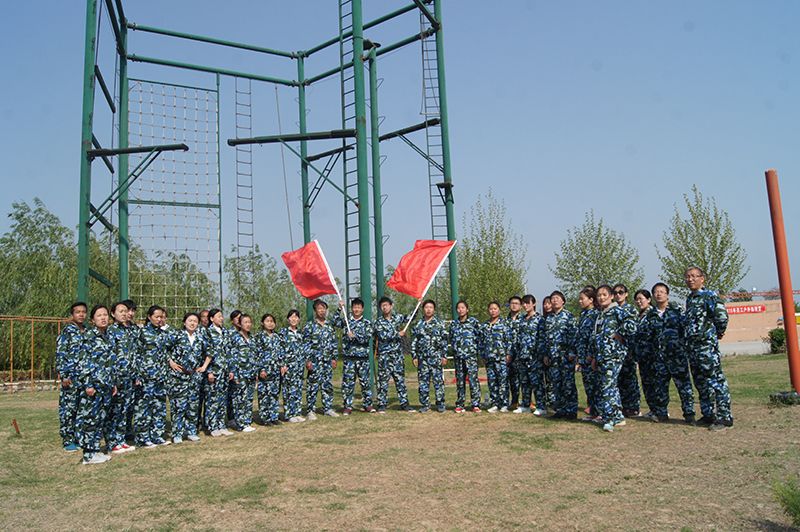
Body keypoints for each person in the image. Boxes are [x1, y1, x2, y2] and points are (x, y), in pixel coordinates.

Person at [683, 267, 733, 430]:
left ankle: (724, 417)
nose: (690, 279)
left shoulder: (709, 296)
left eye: (694, 276)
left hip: (706, 348)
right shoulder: (690, 299)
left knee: (716, 381)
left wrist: (717, 333)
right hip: (693, 348)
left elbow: (721, 316)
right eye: (688, 277)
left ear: (702, 278)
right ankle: (708, 414)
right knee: (700, 382)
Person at [75, 305, 118, 465]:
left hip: (105, 386)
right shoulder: (88, 337)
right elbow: (83, 363)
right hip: (93, 386)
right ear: (92, 320)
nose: (103, 318)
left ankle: (94, 450)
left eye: (105, 315)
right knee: (90, 419)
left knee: (99, 419)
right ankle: (88, 454)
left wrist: (113, 383)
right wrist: (88, 384)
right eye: (99, 315)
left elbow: (110, 363)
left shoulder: (108, 336)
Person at [650, 283, 696, 424]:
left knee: (684, 387)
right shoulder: (650, 315)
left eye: (662, 291)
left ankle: (689, 414)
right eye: (656, 292)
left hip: (677, 356)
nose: (659, 294)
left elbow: (687, 330)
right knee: (660, 387)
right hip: (659, 358)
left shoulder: (677, 311)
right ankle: (662, 414)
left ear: (667, 295)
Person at [592, 285, 637, 432]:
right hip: (602, 356)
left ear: (611, 296)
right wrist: (594, 357)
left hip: (613, 356)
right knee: (609, 386)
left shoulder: (617, 310)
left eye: (605, 295)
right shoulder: (600, 314)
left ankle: (609, 418)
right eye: (599, 295)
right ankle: (617, 416)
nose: (601, 297)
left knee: (607, 386)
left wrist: (619, 333)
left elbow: (632, 325)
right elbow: (596, 337)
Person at [165, 312, 210, 443]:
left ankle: (191, 431)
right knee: (178, 406)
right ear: (184, 322)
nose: (192, 323)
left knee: (193, 405)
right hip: (178, 376)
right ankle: (177, 433)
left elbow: (210, 351)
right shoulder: (176, 335)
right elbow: (163, 348)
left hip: (194, 376)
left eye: (195, 321)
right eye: (190, 320)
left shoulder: (201, 337)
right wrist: (170, 362)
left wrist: (204, 366)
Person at [133, 305, 171, 448]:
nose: (159, 319)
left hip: (160, 377)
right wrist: (138, 374)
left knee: (159, 407)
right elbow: (136, 354)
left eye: (161, 317)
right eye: (157, 317)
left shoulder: (163, 334)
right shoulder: (142, 333)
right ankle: (143, 437)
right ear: (149, 317)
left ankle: (157, 435)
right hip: (146, 377)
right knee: (144, 408)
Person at [105, 301, 137, 454]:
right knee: (115, 410)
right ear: (113, 314)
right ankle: (112, 441)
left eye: (126, 311)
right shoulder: (111, 331)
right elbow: (110, 356)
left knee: (125, 409)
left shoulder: (130, 330)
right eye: (120, 311)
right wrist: (112, 379)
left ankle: (121, 439)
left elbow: (134, 354)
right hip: (117, 377)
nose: (124, 314)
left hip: (129, 377)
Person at [333, 298, 375, 415]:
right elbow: (334, 322)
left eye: (358, 307)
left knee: (365, 383)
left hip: (363, 359)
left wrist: (355, 335)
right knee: (348, 384)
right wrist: (339, 309)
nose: (356, 309)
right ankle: (347, 406)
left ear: (362, 309)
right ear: (351, 309)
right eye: (354, 307)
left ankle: (368, 404)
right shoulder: (346, 321)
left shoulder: (367, 323)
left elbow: (367, 337)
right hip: (349, 359)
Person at [373, 296, 414, 413]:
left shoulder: (397, 318)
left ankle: (404, 403)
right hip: (384, 357)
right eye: (382, 306)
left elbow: (410, 318)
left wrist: (418, 305)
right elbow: (382, 336)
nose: (385, 307)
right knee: (383, 381)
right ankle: (381, 404)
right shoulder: (378, 322)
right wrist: (398, 334)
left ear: (391, 306)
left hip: (397, 356)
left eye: (387, 305)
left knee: (400, 380)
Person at [55, 302, 87, 453]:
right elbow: (61, 353)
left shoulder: (87, 331)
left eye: (83, 312)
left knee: (81, 409)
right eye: (78, 312)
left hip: (84, 377)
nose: (81, 314)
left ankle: (79, 437)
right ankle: (68, 439)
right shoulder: (68, 331)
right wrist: (64, 374)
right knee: (68, 409)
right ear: (72, 314)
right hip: (71, 377)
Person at [542, 291, 578, 419]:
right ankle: (560, 409)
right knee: (556, 384)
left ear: (563, 301)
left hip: (566, 356)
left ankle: (571, 410)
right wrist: (546, 354)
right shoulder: (549, 318)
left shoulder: (569, 316)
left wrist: (572, 353)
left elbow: (574, 336)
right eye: (552, 299)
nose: (555, 300)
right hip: (553, 356)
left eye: (557, 298)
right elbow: (546, 338)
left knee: (568, 384)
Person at [303, 301, 339, 419]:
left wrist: (334, 358)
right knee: (313, 386)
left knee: (327, 385)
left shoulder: (329, 326)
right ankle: (310, 410)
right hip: (315, 362)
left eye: (324, 308)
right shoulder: (310, 326)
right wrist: (308, 360)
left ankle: (327, 408)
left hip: (327, 361)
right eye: (319, 309)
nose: (322, 311)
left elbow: (334, 343)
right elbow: (306, 344)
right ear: (315, 311)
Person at [412, 299, 449, 413]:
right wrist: (414, 356)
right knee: (423, 382)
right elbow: (414, 341)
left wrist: (444, 356)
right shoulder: (418, 324)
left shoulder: (439, 323)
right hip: (423, 359)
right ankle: (424, 404)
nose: (428, 309)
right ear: (423, 309)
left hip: (436, 357)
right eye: (426, 307)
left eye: (431, 307)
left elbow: (444, 341)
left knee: (438, 382)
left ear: (434, 309)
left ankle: (440, 404)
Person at [630, 289, 660, 421]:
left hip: (652, 355)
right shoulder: (639, 316)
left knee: (655, 383)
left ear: (648, 300)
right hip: (642, 356)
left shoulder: (652, 314)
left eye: (641, 298)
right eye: (637, 299)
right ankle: (653, 409)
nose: (639, 301)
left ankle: (660, 410)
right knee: (647, 383)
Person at [514, 294, 546, 416]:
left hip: (535, 356)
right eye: (524, 303)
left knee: (537, 382)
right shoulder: (521, 319)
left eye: (528, 303)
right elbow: (518, 337)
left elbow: (542, 338)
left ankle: (541, 406)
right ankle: (525, 405)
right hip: (522, 355)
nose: (525, 305)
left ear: (534, 304)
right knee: (524, 382)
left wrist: (540, 354)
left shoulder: (539, 319)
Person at [203, 309, 233, 437]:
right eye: (219, 316)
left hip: (224, 371)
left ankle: (221, 424)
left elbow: (229, 352)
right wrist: (209, 371)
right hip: (214, 371)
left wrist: (231, 370)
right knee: (213, 399)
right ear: (211, 319)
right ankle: (212, 425)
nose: (221, 319)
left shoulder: (225, 332)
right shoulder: (208, 333)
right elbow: (206, 353)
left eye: (222, 316)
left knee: (222, 399)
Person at [613, 284, 641, 417]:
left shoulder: (631, 309)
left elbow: (632, 328)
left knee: (629, 379)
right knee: (617, 380)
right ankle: (621, 405)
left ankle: (633, 406)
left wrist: (618, 333)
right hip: (613, 351)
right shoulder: (610, 310)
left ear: (626, 294)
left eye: (621, 292)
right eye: (616, 292)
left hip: (627, 349)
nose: (618, 295)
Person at [450, 300, 482, 413]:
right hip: (458, 358)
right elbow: (451, 338)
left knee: (473, 380)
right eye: (458, 308)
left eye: (463, 307)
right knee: (460, 381)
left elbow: (480, 337)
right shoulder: (454, 324)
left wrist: (477, 351)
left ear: (467, 309)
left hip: (471, 357)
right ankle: (460, 403)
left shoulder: (473, 322)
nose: (460, 310)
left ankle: (475, 404)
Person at [481, 301, 512, 413]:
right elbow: (481, 342)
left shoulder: (504, 324)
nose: (493, 311)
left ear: (499, 310)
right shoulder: (484, 325)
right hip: (489, 358)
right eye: (491, 309)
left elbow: (509, 340)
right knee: (492, 381)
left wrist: (508, 354)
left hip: (501, 358)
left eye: (495, 309)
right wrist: (482, 355)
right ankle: (495, 403)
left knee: (503, 381)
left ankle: (504, 403)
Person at [228, 314, 257, 432]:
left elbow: (255, 356)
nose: (248, 324)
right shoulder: (235, 337)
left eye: (249, 322)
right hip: (240, 373)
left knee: (249, 398)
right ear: (240, 324)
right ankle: (240, 423)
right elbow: (231, 356)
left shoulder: (252, 338)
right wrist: (233, 372)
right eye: (245, 322)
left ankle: (247, 421)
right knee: (240, 398)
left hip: (250, 373)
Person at [253, 313, 284, 425]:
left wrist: (282, 365)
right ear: (262, 323)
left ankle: (273, 416)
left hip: (275, 370)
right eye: (267, 321)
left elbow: (281, 353)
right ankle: (265, 417)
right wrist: (261, 369)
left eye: (272, 321)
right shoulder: (259, 337)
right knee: (264, 394)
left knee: (274, 393)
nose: (270, 323)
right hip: (264, 370)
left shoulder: (278, 337)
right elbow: (256, 354)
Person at [574, 288, 600, 421]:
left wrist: (592, 354)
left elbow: (594, 337)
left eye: (582, 298)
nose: (580, 301)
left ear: (591, 300)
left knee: (595, 385)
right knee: (588, 386)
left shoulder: (596, 314)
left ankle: (599, 412)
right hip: (583, 357)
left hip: (591, 357)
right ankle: (593, 411)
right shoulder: (583, 315)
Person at [279, 309, 306, 423]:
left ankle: (297, 412)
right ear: (288, 319)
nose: (294, 319)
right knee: (288, 390)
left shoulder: (301, 333)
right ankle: (289, 414)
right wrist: (282, 364)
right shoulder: (283, 333)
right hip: (288, 367)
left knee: (298, 389)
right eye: (291, 317)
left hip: (299, 367)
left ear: (299, 320)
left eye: (296, 317)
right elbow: (280, 350)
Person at [506, 296, 523, 409]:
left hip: (522, 353)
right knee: (512, 378)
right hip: (509, 354)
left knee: (525, 378)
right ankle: (514, 400)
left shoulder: (524, 319)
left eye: (516, 303)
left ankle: (528, 401)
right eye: (512, 303)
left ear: (521, 306)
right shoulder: (504, 321)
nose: (514, 305)